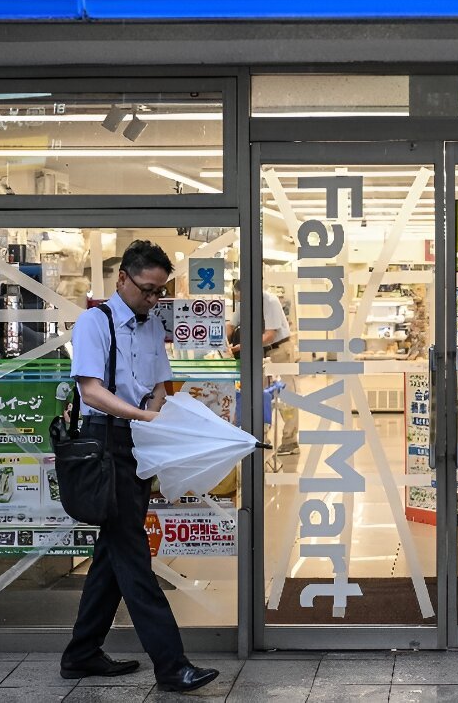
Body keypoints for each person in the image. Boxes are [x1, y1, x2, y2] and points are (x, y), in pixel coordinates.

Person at [60, 240, 218, 694]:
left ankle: (82, 654)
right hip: (104, 441)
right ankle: (172, 664)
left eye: (159, 293)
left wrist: (160, 418)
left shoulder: (151, 327)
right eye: (147, 290)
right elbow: (91, 390)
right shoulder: (96, 322)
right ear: (122, 279)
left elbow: (157, 387)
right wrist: (146, 416)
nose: (153, 300)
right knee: (131, 552)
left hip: (138, 442)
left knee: (113, 553)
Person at [227, 285, 299, 454]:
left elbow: (270, 335)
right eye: (238, 298)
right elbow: (231, 324)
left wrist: (241, 347)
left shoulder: (270, 301)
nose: (239, 300)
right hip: (260, 352)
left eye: (240, 296)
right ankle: (262, 436)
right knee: (262, 395)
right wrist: (223, 341)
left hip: (279, 350)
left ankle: (290, 441)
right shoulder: (245, 302)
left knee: (286, 396)